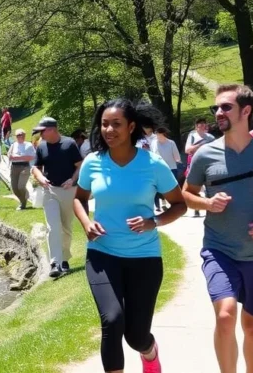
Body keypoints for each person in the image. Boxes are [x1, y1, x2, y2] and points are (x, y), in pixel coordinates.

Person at [183, 84, 253, 373]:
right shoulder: (205, 155)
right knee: (225, 315)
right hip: (219, 249)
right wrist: (206, 203)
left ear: (246, 111)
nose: (218, 113)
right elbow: (187, 192)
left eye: (225, 107)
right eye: (216, 108)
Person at [74, 99, 188, 373]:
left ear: (131, 127)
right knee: (112, 321)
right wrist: (86, 222)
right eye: (104, 124)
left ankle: (150, 353)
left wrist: (154, 221)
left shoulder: (153, 163)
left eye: (116, 124)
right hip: (103, 254)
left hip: (144, 257)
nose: (108, 130)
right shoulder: (93, 162)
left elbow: (180, 204)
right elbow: (78, 199)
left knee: (136, 336)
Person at [31, 116, 84, 279]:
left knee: (66, 227)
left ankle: (65, 258)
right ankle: (55, 263)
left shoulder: (69, 144)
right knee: (53, 226)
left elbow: (79, 165)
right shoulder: (41, 146)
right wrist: (40, 178)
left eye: (42, 131)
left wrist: (73, 179)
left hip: (68, 190)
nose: (40, 135)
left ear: (52, 129)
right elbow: (36, 167)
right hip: (50, 190)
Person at [185, 118, 213, 217]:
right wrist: (200, 145)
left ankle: (210, 206)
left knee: (208, 187)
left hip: (208, 164)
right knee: (195, 187)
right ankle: (196, 208)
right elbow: (187, 150)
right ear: (196, 126)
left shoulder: (210, 137)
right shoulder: (192, 136)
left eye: (204, 124)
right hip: (195, 164)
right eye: (200, 125)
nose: (202, 126)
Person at [153, 127, 182, 212]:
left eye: (158, 134)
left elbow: (177, 157)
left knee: (172, 187)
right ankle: (163, 203)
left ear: (163, 134)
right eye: (156, 134)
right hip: (159, 169)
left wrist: (178, 162)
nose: (157, 136)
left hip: (171, 168)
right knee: (160, 187)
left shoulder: (171, 143)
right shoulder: (154, 143)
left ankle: (175, 204)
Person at [8, 128, 36, 210]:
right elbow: (10, 156)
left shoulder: (28, 145)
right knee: (14, 188)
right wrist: (18, 157)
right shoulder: (13, 145)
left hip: (24, 167)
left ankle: (23, 203)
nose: (20, 136)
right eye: (18, 135)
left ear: (24, 135)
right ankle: (23, 198)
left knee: (20, 186)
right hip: (14, 167)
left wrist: (18, 157)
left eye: (21, 135)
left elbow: (31, 157)